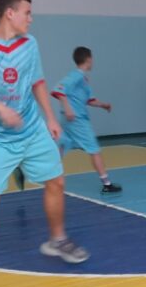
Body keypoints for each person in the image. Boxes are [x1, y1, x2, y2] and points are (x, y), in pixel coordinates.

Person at [0, 0, 89, 287]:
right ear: (9, 13)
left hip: (33, 130)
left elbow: (37, 81)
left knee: (56, 182)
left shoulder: (30, 43)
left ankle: (57, 240)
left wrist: (50, 118)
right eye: (27, 12)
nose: (31, 18)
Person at [51, 46, 123, 193]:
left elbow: (89, 100)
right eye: (92, 59)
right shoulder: (76, 76)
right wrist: (68, 108)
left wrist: (103, 105)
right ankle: (107, 184)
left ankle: (37, 173)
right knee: (94, 150)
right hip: (76, 120)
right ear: (89, 59)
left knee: (60, 148)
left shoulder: (83, 79)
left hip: (68, 120)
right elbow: (58, 90)